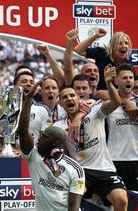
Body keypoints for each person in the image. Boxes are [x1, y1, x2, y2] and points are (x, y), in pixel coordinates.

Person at [54, 66, 128, 211]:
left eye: (72, 95)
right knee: (71, 200)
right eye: (65, 97)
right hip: (81, 172)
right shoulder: (59, 126)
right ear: (61, 104)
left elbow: (116, 102)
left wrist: (108, 83)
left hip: (104, 169)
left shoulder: (95, 111)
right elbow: (45, 144)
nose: (69, 98)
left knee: (122, 200)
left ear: (78, 98)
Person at [18, 83, 84, 211]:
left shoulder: (75, 169)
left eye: (44, 137)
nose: (40, 139)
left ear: (54, 143)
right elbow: (23, 132)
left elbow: (73, 207)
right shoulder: (34, 157)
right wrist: (28, 99)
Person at [106, 64, 138, 192]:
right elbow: (99, 94)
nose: (129, 80)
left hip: (137, 159)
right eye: (124, 78)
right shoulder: (108, 103)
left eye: (131, 77)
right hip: (114, 159)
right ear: (116, 81)